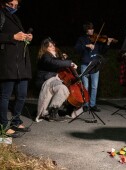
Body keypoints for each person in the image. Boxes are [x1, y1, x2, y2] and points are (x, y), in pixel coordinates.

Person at [0, 0, 33, 138]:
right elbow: (10, 36)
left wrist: (26, 37)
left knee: (22, 94)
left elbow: (19, 36)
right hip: (8, 63)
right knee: (5, 96)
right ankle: (3, 125)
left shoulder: (15, 17)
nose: (13, 7)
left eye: (16, 5)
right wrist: (12, 36)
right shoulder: (1, 15)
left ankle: (16, 121)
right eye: (11, 4)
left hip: (21, 64)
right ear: (3, 3)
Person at [35, 37, 78, 122]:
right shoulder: (45, 56)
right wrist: (70, 63)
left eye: (53, 45)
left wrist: (62, 58)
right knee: (62, 88)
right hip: (45, 80)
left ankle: (66, 109)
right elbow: (53, 62)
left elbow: (56, 62)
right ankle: (53, 113)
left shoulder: (53, 55)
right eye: (50, 46)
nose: (53, 47)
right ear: (45, 48)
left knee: (68, 88)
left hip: (54, 79)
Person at [75, 21, 114, 112]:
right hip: (85, 65)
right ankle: (85, 104)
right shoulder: (82, 39)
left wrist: (107, 43)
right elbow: (77, 48)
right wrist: (86, 45)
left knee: (94, 86)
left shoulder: (97, 40)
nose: (92, 31)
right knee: (86, 86)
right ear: (86, 30)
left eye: (92, 29)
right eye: (90, 29)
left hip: (95, 65)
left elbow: (103, 51)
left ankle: (92, 105)